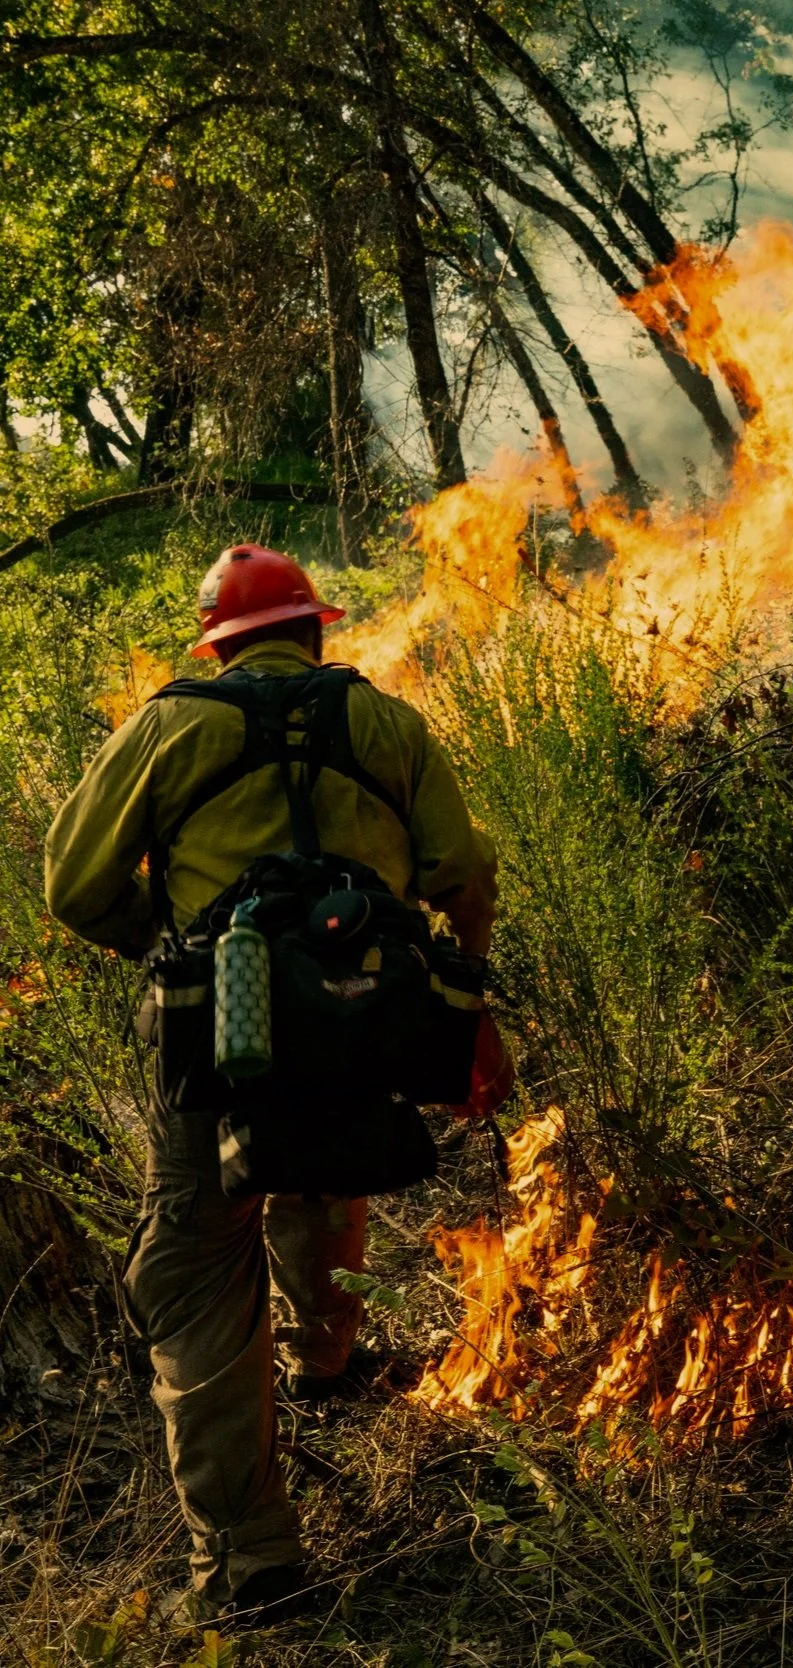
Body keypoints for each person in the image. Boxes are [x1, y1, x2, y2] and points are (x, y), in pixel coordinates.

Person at [44, 544, 498, 1626]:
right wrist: (470, 1006)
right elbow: (465, 874)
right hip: (364, 1018)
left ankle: (250, 1558)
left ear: (217, 647)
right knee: (322, 1160)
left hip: (221, 1035)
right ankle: (324, 1358)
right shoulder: (384, 721)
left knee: (199, 1269)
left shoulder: (168, 726)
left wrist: (163, 946)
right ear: (313, 628)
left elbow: (73, 886)